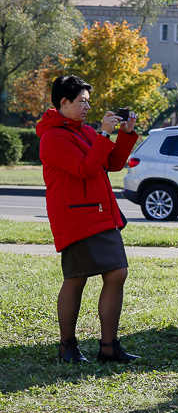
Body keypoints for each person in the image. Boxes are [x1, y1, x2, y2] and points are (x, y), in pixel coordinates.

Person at [37, 75, 140, 364]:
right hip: (76, 216)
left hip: (100, 213)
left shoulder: (82, 131)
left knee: (117, 273)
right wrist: (104, 135)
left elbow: (111, 164)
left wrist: (125, 133)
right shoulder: (53, 137)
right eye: (81, 101)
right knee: (76, 279)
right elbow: (85, 168)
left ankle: (109, 347)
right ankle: (67, 345)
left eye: (88, 102)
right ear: (63, 102)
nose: (86, 107)